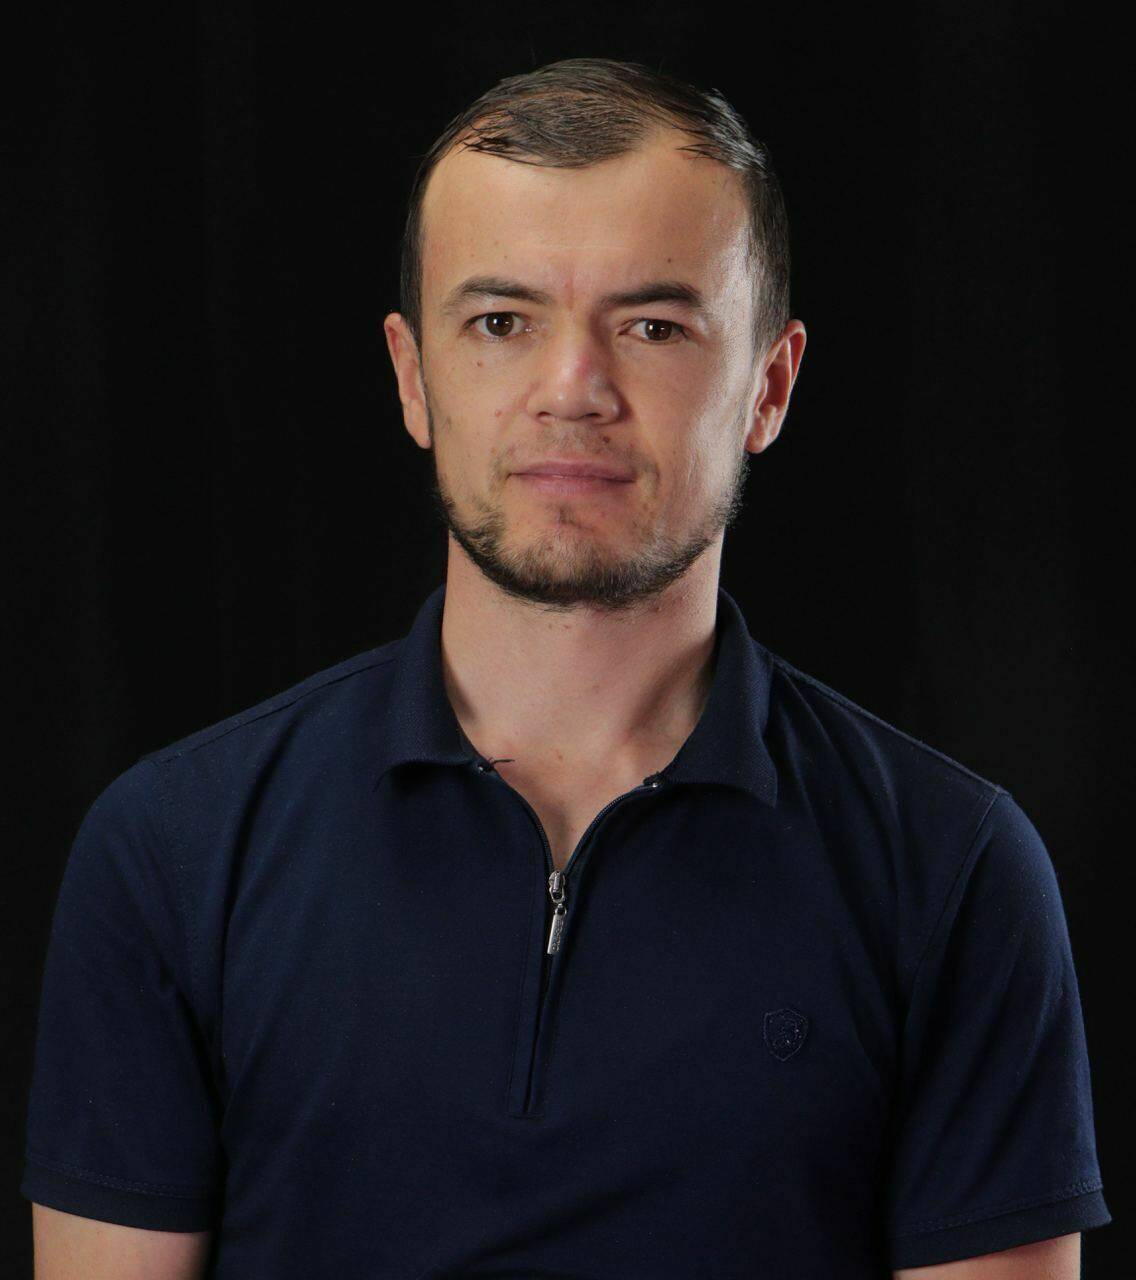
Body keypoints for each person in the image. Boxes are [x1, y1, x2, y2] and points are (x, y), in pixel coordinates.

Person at [22, 56, 1109, 1279]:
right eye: (501, 322)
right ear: (412, 377)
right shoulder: (172, 851)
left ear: (768, 384)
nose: (572, 388)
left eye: (652, 326)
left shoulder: (952, 871)